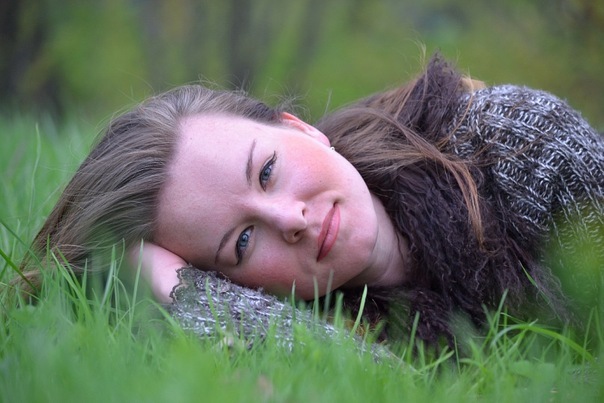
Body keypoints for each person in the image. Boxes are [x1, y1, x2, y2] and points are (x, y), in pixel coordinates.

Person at [18, 55, 604, 347]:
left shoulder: (518, 144)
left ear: (300, 128)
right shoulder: (310, 329)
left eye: (268, 171)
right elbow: (383, 387)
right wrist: (174, 288)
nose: (290, 220)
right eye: (243, 242)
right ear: (232, 286)